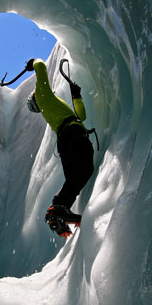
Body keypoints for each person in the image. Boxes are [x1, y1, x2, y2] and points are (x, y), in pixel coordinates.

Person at [26, 58, 94, 234]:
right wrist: (33, 62)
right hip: (73, 136)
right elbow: (41, 66)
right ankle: (58, 208)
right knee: (84, 169)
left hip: (66, 141)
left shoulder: (54, 107)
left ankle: (58, 211)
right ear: (36, 99)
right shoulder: (43, 96)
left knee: (75, 178)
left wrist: (76, 95)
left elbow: (81, 116)